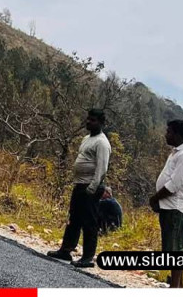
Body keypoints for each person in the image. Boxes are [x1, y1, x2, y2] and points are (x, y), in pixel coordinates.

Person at [47, 109, 112, 268]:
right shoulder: (86, 139)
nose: (89, 122)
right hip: (80, 184)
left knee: (89, 222)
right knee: (74, 218)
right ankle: (66, 249)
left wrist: (93, 187)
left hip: (91, 186)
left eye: (93, 120)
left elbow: (102, 168)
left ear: (101, 123)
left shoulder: (102, 143)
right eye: (88, 119)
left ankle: (88, 257)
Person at [149, 119, 183, 288]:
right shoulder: (177, 152)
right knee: (174, 248)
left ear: (177, 135)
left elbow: (173, 185)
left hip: (175, 207)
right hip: (169, 206)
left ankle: (175, 287)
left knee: (175, 251)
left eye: (169, 132)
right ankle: (179, 286)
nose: (166, 134)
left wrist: (155, 198)